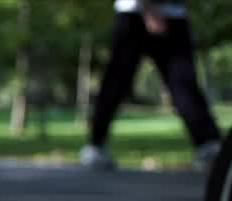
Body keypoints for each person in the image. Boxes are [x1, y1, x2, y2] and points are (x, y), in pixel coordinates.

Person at [81, 0, 222, 171]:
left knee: (184, 83)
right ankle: (96, 145)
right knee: (117, 82)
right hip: (138, 13)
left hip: (172, 13)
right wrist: (149, 9)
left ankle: (208, 145)